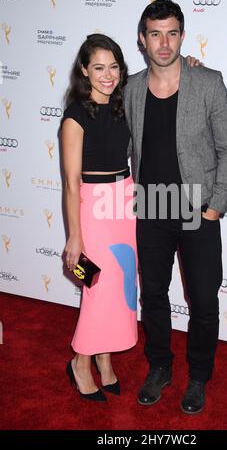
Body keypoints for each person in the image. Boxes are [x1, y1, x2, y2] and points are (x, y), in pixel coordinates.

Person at [124, 0, 227, 414]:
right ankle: (159, 367)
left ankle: (199, 376)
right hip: (150, 207)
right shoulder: (131, 88)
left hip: (197, 208)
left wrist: (216, 205)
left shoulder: (208, 82)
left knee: (204, 301)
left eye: (172, 33)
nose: (164, 42)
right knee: (153, 295)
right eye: (155, 33)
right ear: (143, 39)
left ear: (183, 36)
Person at [62, 34, 137, 401]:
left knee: (122, 283)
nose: (107, 75)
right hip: (92, 206)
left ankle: (105, 361)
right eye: (98, 67)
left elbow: (165, 75)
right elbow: (71, 184)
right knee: (96, 287)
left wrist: (192, 65)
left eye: (113, 67)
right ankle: (80, 361)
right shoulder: (75, 117)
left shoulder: (125, 103)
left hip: (124, 200)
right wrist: (75, 236)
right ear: (84, 70)